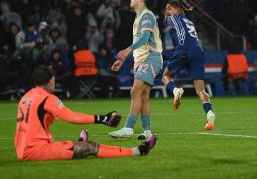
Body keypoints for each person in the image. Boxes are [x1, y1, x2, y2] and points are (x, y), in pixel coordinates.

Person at [14, 65, 157, 161]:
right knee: (91, 147)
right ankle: (138, 151)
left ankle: (78, 144)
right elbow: (70, 117)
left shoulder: (26, 97)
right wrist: (103, 118)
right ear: (51, 81)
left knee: (75, 147)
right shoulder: (47, 98)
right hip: (36, 151)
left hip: (23, 148)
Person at [109, 0, 163, 139]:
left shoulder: (146, 16)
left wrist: (126, 51)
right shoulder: (139, 17)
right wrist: (125, 59)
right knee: (144, 96)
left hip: (151, 58)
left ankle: (128, 128)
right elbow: (141, 44)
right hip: (144, 59)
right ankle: (147, 132)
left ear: (141, 0)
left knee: (135, 92)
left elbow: (145, 38)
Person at [161, 0, 215, 130]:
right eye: (166, 10)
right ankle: (210, 113)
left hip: (184, 49)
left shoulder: (173, 19)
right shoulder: (189, 22)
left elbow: (178, 34)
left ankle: (176, 90)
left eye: (169, 9)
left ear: (178, 10)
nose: (167, 12)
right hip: (198, 51)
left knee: (165, 77)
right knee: (201, 90)